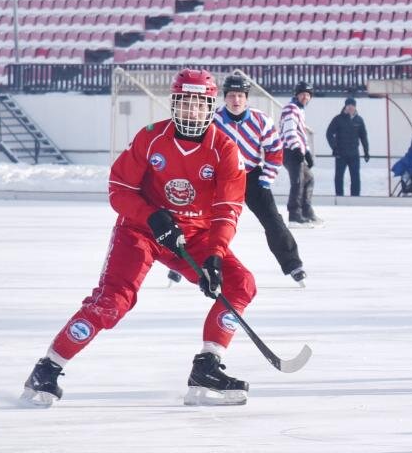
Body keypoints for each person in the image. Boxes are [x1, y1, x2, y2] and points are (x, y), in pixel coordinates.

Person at [20, 69, 256, 408]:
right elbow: (119, 189)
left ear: (210, 108)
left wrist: (215, 256)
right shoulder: (151, 138)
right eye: (186, 104)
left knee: (240, 284)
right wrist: (152, 215)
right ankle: (48, 368)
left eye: (200, 105)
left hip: (193, 236)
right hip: (141, 231)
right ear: (174, 104)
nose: (193, 112)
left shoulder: (225, 150)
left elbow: (227, 209)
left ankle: (207, 366)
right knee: (113, 303)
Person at [213, 75, 306, 286]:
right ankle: (189, 264)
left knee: (273, 220)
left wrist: (267, 177)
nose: (236, 100)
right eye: (231, 96)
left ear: (246, 98)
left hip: (252, 176)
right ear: (224, 98)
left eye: (240, 96)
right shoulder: (213, 120)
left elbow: (274, 149)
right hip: (222, 179)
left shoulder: (261, 120)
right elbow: (203, 151)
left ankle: (293, 264)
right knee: (205, 221)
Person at [280, 82, 320, 226]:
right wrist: (297, 149)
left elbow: (300, 133)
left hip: (296, 150)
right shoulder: (291, 109)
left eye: (308, 95)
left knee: (308, 178)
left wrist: (307, 151)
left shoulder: (299, 109)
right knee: (298, 182)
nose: (305, 97)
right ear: (296, 94)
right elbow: (289, 131)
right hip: (290, 150)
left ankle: (305, 211)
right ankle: (294, 215)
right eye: (302, 94)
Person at [325, 96, 370, 196]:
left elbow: (363, 137)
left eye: (352, 105)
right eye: (348, 105)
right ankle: (339, 196)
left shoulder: (359, 120)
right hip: (341, 154)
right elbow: (329, 133)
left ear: (355, 107)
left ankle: (355, 197)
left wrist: (366, 151)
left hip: (354, 154)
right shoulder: (338, 119)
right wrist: (334, 148)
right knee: (339, 177)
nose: (350, 107)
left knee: (355, 177)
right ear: (345, 107)